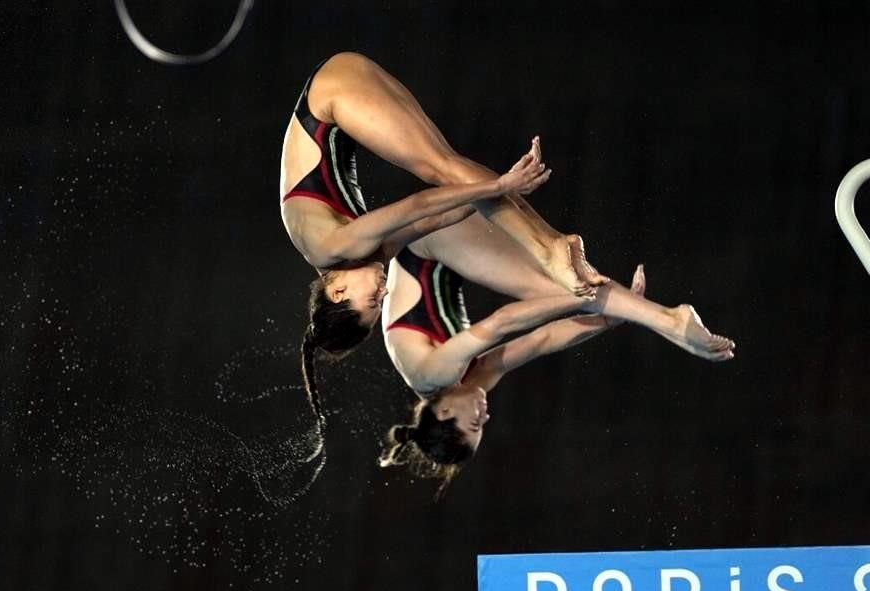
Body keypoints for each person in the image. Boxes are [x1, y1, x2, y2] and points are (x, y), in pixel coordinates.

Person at [282, 53, 608, 424]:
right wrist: (491, 194)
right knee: (451, 170)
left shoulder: (333, 248)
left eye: (372, 299)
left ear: (336, 291)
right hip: (342, 86)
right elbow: (438, 218)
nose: (384, 293)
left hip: (328, 97)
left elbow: (418, 203)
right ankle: (553, 244)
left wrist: (498, 186)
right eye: (381, 301)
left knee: (437, 167)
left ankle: (551, 248)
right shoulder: (362, 257)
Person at [377, 247, 734, 491]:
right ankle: (657, 317)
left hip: (426, 245)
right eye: (482, 428)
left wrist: (582, 298)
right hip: (449, 252)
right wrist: (608, 319)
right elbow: (541, 341)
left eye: (474, 423)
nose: (485, 417)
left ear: (443, 412)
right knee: (562, 284)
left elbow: (504, 322)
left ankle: (668, 319)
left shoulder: (431, 377)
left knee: (557, 287)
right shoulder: (468, 385)